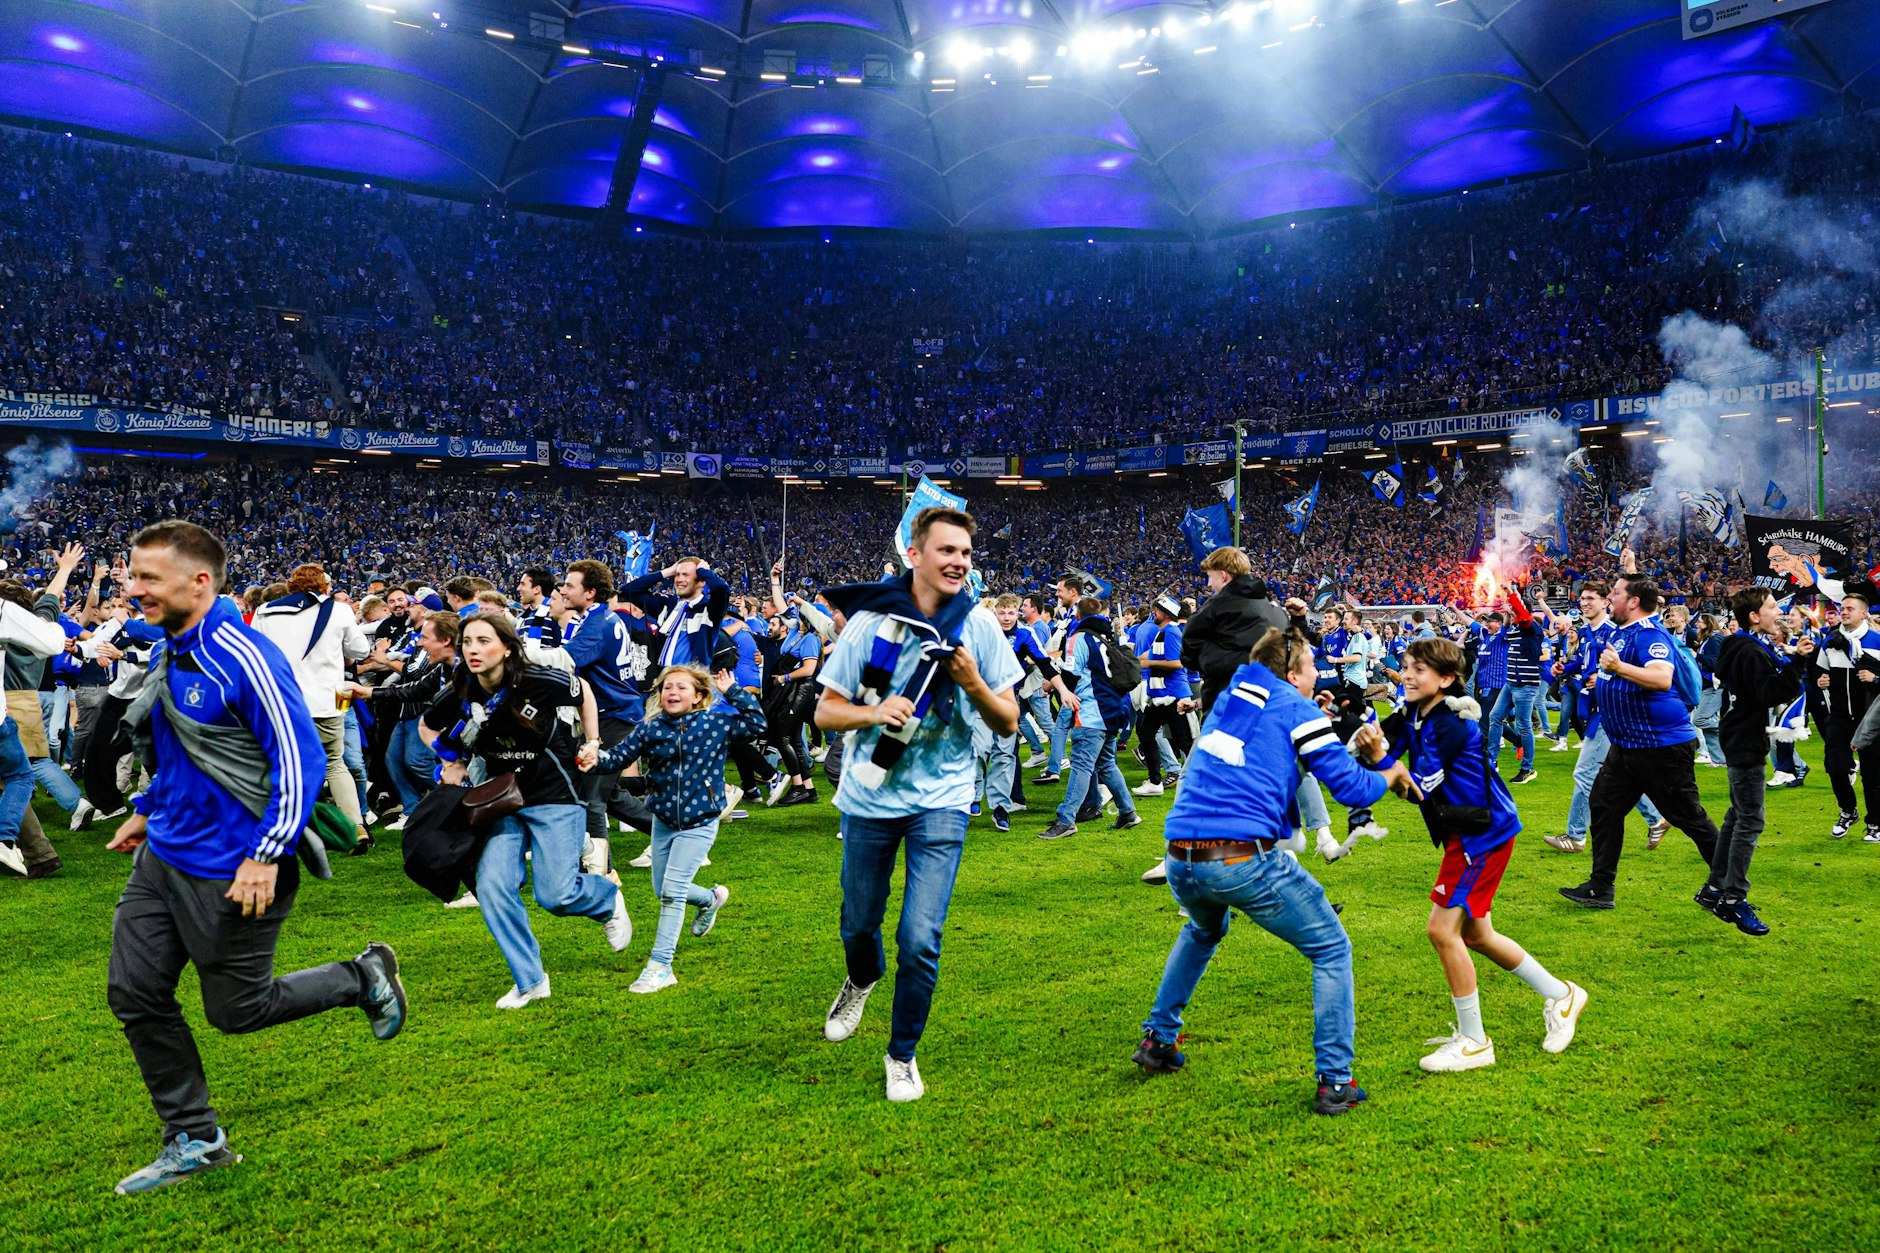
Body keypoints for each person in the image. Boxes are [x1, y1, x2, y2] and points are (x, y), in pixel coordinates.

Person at [103, 521, 406, 1195]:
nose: (133, 588)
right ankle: (195, 1136)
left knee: (236, 1009)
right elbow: (185, 750)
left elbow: (299, 759)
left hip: (234, 864)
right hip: (164, 856)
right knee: (133, 991)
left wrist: (266, 854)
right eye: (133, 574)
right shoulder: (174, 649)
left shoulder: (244, 655)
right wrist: (146, 810)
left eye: (148, 577)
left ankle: (361, 976)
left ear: (199, 581)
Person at [1132, 627, 1417, 1115]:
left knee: (1203, 930)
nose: (1318, 672)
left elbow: (1267, 743)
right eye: (1311, 666)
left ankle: (1158, 1040)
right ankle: (1336, 1080)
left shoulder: (1230, 697)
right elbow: (1351, 789)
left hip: (1180, 855)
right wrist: (1388, 771)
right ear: (1291, 673)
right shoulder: (1296, 709)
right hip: (1241, 857)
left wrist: (1316, 714)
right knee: (1331, 947)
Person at [814, 506, 1021, 1103]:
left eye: (965, 553)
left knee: (921, 936)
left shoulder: (978, 626)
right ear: (915, 555)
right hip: (869, 794)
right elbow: (826, 711)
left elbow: (1007, 723)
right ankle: (860, 978)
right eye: (946, 551)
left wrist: (973, 681)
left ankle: (901, 1054)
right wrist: (874, 712)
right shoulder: (871, 623)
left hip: (944, 797)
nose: (958, 561)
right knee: (859, 923)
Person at [1358, 637, 1587, 1072]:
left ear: (1446, 679)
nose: (1406, 674)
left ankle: (1475, 1042)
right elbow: (1373, 746)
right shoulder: (1413, 711)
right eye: (1405, 666)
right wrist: (1339, 720)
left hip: (1480, 834)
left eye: (1418, 669)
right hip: (1467, 831)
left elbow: (1415, 788)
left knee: (1442, 931)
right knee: (1477, 936)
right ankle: (1562, 996)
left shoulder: (1451, 722)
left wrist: (1380, 759)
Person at [423, 613, 632, 1008]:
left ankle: (605, 899)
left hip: (555, 792)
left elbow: (582, 690)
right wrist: (451, 761)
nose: (473, 650)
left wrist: (592, 741)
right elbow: (428, 726)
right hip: (501, 799)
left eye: (484, 641)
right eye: (467, 642)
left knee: (555, 895)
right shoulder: (461, 688)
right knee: (493, 887)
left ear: (506, 646)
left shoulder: (537, 679)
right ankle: (530, 980)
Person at [587, 663, 765, 992]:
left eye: (682, 687)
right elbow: (617, 758)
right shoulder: (649, 729)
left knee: (671, 893)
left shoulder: (715, 722)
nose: (673, 692)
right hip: (664, 821)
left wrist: (733, 692)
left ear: (698, 696)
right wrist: (593, 756)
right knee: (664, 890)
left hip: (701, 822)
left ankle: (661, 965)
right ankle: (710, 899)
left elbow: (757, 722)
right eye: (667, 687)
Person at [1560, 575, 1721, 910]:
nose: (1609, 598)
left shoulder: (1648, 634)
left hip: (1660, 747)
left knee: (1689, 818)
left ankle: (1728, 884)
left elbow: (1662, 678)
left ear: (1632, 602)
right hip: (1628, 745)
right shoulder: (1621, 631)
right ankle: (1600, 888)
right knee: (1604, 807)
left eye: (1615, 593)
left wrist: (1618, 668)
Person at [1704, 588, 1814, 934]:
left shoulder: (1740, 645)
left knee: (1738, 815)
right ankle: (1734, 898)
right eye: (1770, 607)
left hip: (1739, 735)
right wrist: (1796, 662)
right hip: (1745, 741)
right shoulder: (1749, 649)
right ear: (1753, 616)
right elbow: (1770, 692)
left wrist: (1791, 658)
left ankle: (1714, 889)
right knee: (1750, 819)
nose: (1775, 612)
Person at [1542, 582, 1668, 854]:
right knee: (1622, 775)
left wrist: (1607, 676)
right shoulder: (1588, 632)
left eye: (1591, 598)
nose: (1584, 602)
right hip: (1598, 712)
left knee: (1585, 773)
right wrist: (1565, 667)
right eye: (1582, 598)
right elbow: (1588, 663)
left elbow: (1632, 668)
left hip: (1610, 714)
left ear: (1605, 602)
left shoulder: (1615, 632)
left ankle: (1575, 836)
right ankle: (1656, 819)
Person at [250, 564, 372, 843]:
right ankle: (356, 827)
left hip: (282, 704)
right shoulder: (338, 610)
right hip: (328, 702)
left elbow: (256, 654)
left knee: (281, 765)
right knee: (334, 764)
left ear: (293, 585)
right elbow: (360, 650)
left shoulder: (265, 612)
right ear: (323, 586)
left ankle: (280, 830)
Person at [559, 559, 643, 874]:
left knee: (592, 798)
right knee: (611, 795)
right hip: (614, 713)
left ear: (590, 592)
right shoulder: (602, 618)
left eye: (570, 585)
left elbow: (564, 662)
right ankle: (675, 837)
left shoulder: (595, 625)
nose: (563, 590)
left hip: (611, 717)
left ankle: (601, 870)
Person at [1039, 597, 1141, 840]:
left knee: (1082, 765)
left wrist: (1056, 687)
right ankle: (1128, 812)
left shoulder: (1080, 638)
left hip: (1091, 711)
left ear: (1077, 617)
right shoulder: (1106, 638)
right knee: (1106, 764)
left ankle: (1066, 819)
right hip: (1113, 710)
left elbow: (1072, 674)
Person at [1181, 547, 1287, 715]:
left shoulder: (1217, 607)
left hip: (1225, 700)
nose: (1208, 584)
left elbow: (1190, 648)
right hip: (1269, 699)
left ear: (1223, 576)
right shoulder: (1271, 606)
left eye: (1210, 577)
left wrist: (1210, 661)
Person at [1813, 588, 1880, 841]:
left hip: (1871, 718)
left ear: (1864, 614)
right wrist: (1821, 680)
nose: (1844, 610)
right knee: (1835, 767)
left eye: (1850, 607)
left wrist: (1876, 679)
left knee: (1873, 774)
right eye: (1842, 607)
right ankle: (1848, 811)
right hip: (1839, 717)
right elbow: (1819, 672)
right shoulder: (1830, 641)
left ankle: (1875, 823)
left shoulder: (1877, 642)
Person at [1131, 595, 1195, 798]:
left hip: (1173, 696)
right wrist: (1129, 658)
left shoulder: (1171, 633)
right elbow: (1148, 655)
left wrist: (1148, 664)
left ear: (1165, 614)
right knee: (1146, 733)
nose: (1153, 614)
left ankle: (1203, 781)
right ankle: (1154, 781)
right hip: (1161, 696)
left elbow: (1178, 663)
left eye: (1156, 611)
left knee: (1184, 741)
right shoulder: (1162, 632)